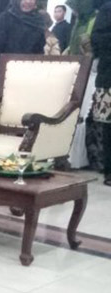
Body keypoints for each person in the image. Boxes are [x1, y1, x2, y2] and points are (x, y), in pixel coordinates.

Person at [0, 0, 46, 89]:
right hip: (3, 73)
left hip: (28, 74)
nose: (28, 2)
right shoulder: (4, 19)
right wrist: (0, 75)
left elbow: (39, 51)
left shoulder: (38, 21)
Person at [92, 0, 111, 185]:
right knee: (109, 127)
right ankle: (109, 171)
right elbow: (97, 39)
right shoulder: (107, 9)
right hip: (109, 76)